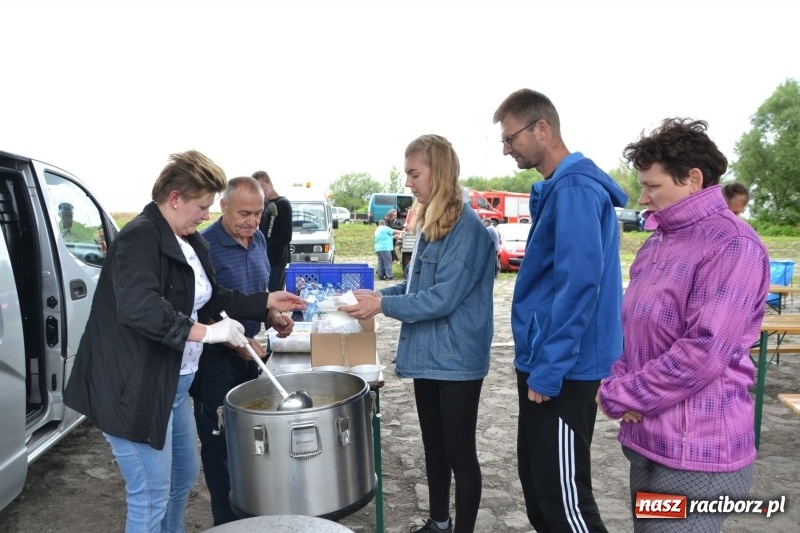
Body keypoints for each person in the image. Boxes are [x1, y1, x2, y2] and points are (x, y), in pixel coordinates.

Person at [63, 150, 304, 533]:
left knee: (181, 479)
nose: (206, 215)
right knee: (151, 494)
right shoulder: (140, 237)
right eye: (203, 206)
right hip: (134, 389)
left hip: (174, 385)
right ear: (175, 198)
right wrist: (210, 333)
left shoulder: (189, 240)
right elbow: (141, 308)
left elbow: (214, 297)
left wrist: (265, 301)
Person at [597, 119, 770, 533]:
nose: (643, 197)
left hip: (698, 455)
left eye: (652, 186)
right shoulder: (658, 242)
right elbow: (636, 330)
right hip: (648, 440)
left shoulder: (733, 244)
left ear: (693, 179)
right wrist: (620, 378)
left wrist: (620, 393)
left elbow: (703, 352)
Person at [341, 134, 495, 533]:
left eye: (414, 174)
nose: (407, 183)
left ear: (438, 172)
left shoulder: (467, 229)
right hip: (429, 355)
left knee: (460, 454)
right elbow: (416, 287)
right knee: (434, 447)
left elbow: (442, 298)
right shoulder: (433, 221)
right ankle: (439, 523)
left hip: (456, 360)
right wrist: (379, 295)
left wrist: (383, 306)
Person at [493, 89, 626, 532]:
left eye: (510, 138)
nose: (507, 149)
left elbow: (579, 285)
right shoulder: (558, 188)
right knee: (540, 492)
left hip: (565, 370)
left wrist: (549, 369)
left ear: (542, 129)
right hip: (545, 363)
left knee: (566, 504)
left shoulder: (575, 189)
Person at [192, 176, 295, 525]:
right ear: (223, 206)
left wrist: (272, 316)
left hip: (251, 358)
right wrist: (233, 342)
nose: (252, 222)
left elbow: (255, 294)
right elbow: (200, 310)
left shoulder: (259, 238)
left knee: (253, 445)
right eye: (244, 214)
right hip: (214, 360)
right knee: (220, 450)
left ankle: (254, 519)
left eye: (258, 213)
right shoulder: (203, 246)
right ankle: (227, 524)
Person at [252, 170, 293, 292]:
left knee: (275, 293)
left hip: (277, 260)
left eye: (262, 187)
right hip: (264, 260)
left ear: (270, 183)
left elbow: (286, 236)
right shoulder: (265, 205)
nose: (261, 192)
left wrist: (265, 249)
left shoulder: (283, 203)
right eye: (257, 189)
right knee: (264, 293)